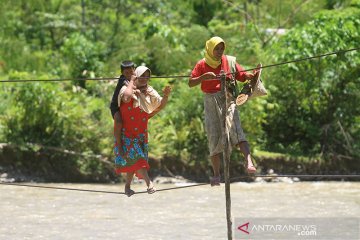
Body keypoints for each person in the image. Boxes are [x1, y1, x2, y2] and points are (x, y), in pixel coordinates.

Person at [188, 36, 257, 186]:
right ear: (209, 49)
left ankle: (249, 161)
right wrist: (203, 77)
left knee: (236, 129)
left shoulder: (229, 61)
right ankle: (216, 175)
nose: (219, 51)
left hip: (228, 98)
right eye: (216, 48)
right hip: (210, 101)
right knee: (214, 135)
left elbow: (242, 75)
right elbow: (191, 82)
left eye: (221, 48)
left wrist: (250, 76)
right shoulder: (201, 64)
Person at [114, 66, 172, 196]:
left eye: (147, 76)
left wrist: (166, 96)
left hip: (140, 131)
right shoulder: (126, 88)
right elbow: (126, 98)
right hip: (127, 132)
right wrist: (133, 82)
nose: (145, 78)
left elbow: (159, 105)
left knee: (134, 160)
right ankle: (149, 183)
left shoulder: (150, 91)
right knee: (138, 158)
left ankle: (127, 187)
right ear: (136, 75)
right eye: (142, 75)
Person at [110, 61, 136, 154]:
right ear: (122, 73)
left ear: (134, 70)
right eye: (126, 73)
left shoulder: (136, 78)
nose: (129, 75)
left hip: (125, 107)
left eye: (131, 72)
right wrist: (133, 80)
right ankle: (119, 146)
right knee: (119, 122)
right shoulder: (123, 80)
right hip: (115, 107)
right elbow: (129, 86)